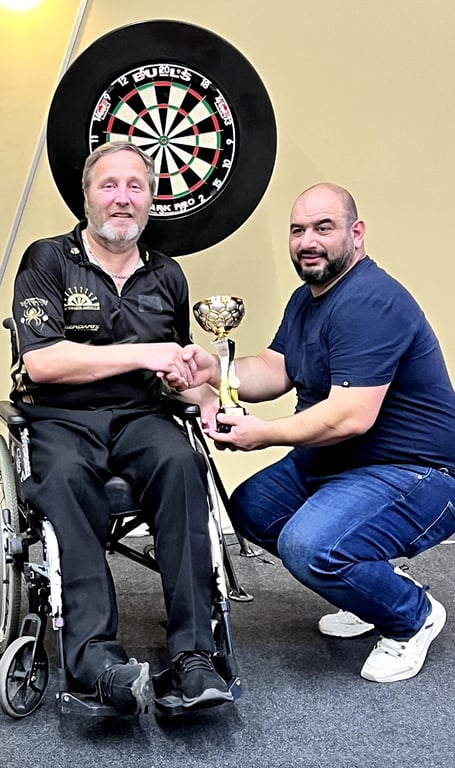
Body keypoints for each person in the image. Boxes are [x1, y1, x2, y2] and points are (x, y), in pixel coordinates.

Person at [168, 182, 455, 683]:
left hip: (415, 471)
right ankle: (373, 584)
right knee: (254, 509)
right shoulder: (308, 298)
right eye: (298, 230)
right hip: (339, 463)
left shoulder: (370, 301)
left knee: (309, 545)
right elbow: (274, 370)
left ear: (356, 233)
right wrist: (212, 368)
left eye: (324, 227)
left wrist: (265, 433)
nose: (308, 241)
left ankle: (412, 616)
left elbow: (350, 416)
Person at [10, 141, 234, 714]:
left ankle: (193, 658)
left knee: (183, 463)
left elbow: (171, 373)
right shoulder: (47, 259)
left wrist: (209, 395)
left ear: (151, 199)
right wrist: (145, 353)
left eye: (135, 186)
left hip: (141, 416)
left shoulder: (168, 276)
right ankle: (94, 662)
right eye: (108, 185)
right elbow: (43, 362)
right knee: (65, 482)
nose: (122, 198)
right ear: (86, 196)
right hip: (62, 417)